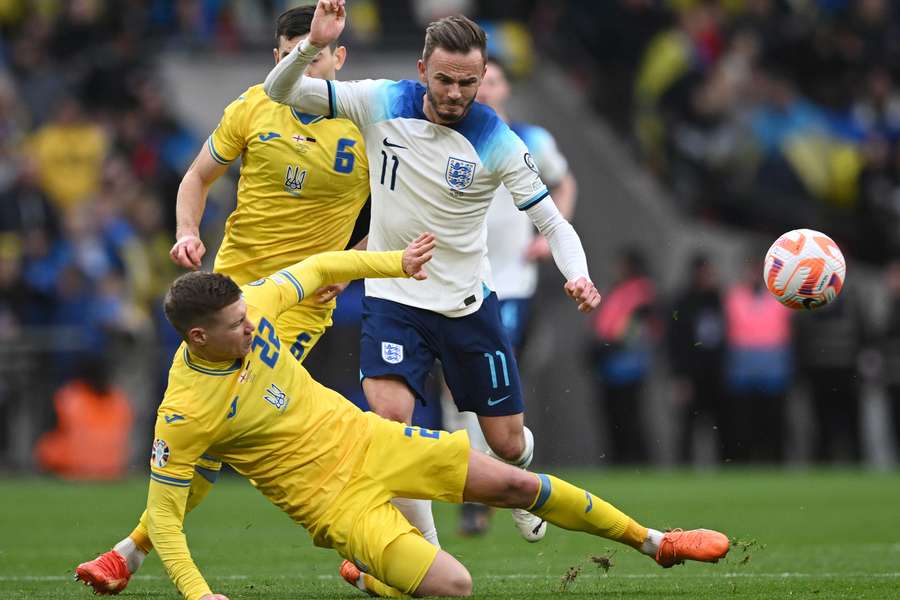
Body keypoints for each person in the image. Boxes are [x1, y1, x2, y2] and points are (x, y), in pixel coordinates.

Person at [109, 239, 728, 600]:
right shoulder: (183, 412)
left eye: (248, 314)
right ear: (198, 337)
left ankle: (657, 542)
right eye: (236, 326)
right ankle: (368, 575)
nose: (252, 325)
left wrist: (394, 263)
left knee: (515, 482)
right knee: (455, 587)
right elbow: (164, 518)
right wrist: (198, 594)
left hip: (373, 441)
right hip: (336, 506)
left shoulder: (255, 305)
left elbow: (323, 269)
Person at [264, 0, 601, 545]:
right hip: (394, 296)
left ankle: (519, 475)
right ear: (422, 70)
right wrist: (310, 45)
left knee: (507, 442)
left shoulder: (499, 141)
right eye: (444, 79)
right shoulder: (380, 101)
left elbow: (554, 223)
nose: (454, 93)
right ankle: (425, 553)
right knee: (392, 423)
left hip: (467, 305)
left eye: (468, 82)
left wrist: (578, 275)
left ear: (483, 77)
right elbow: (279, 92)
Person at [74, 5, 370, 594]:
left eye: (312, 55)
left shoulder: (370, 119)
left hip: (298, 304)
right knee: (215, 425)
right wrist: (187, 231)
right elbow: (196, 178)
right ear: (276, 58)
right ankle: (364, 546)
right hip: (227, 296)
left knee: (219, 424)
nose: (300, 67)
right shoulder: (251, 106)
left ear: (340, 57)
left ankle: (129, 552)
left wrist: (352, 264)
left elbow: (396, 208)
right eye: (290, 57)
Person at [447, 57, 578, 535]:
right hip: (455, 280)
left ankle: (504, 486)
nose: (484, 89)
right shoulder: (443, 134)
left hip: (512, 283)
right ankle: (482, 491)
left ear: (503, 90)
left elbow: (564, 182)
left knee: (491, 390)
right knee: (455, 391)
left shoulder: (529, 139)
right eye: (479, 81)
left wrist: (550, 232)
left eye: (493, 81)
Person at [588, 247, 659, 465]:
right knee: (614, 416)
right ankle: (619, 459)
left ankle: (635, 460)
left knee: (628, 415)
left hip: (627, 364)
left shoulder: (641, 290)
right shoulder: (619, 289)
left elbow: (635, 326)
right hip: (610, 365)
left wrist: (610, 345)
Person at [666, 254, 726, 464]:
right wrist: (678, 376)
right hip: (690, 376)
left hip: (717, 374)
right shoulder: (682, 303)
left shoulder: (719, 300)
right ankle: (684, 468)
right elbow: (674, 342)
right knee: (687, 426)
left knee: (723, 425)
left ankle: (725, 468)